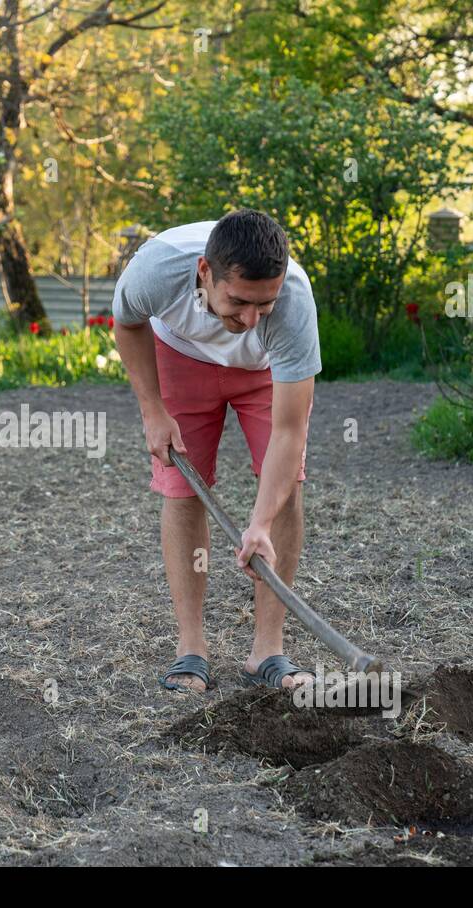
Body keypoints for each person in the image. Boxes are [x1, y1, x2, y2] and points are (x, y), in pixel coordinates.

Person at [112, 209, 320, 693]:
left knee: (287, 493)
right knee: (183, 489)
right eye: (239, 301)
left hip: (263, 373)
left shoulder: (293, 303)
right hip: (181, 358)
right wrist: (152, 410)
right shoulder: (158, 267)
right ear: (205, 272)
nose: (249, 320)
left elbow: (289, 433)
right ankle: (191, 650)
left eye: (263, 306)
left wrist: (261, 523)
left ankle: (268, 651)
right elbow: (127, 323)